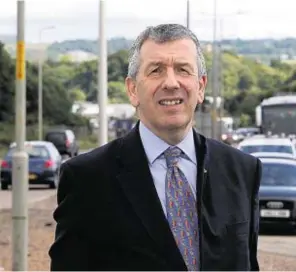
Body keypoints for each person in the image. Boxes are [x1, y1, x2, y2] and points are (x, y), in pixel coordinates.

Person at [48, 24, 262, 271]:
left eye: (183, 69)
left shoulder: (243, 171)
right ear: (132, 89)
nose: (171, 82)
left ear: (201, 87)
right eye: (156, 70)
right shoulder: (87, 179)